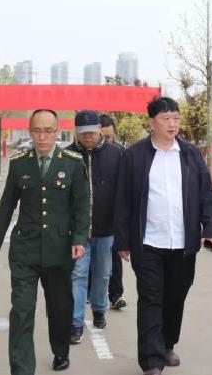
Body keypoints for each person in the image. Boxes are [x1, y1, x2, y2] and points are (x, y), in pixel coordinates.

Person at [114, 96, 212, 375]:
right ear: (152, 122)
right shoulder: (134, 155)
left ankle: (167, 343)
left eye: (176, 118)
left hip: (183, 244)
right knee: (151, 297)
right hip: (147, 242)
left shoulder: (191, 154)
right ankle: (151, 360)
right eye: (166, 118)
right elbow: (123, 200)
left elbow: (206, 195)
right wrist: (122, 239)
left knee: (176, 296)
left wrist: (209, 229)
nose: (172, 124)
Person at [0, 109, 90, 375]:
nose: (42, 137)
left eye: (48, 131)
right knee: (21, 310)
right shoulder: (20, 164)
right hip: (25, 250)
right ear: (29, 131)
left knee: (59, 309)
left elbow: (82, 206)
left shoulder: (73, 163)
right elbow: (7, 205)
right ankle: (22, 369)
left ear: (57, 132)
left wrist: (80, 238)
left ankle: (60, 350)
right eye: (37, 131)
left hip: (60, 250)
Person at [66, 110, 125, 344]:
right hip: (77, 232)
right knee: (78, 275)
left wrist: (123, 226)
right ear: (76, 132)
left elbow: (124, 193)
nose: (88, 137)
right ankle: (75, 323)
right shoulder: (68, 155)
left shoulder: (117, 154)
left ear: (100, 129)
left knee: (102, 274)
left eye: (91, 132)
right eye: (83, 134)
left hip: (105, 229)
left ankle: (99, 309)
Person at [99, 114, 128, 310]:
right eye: (103, 136)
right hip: (94, 216)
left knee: (115, 256)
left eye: (110, 137)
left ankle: (115, 295)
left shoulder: (121, 153)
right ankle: (92, 292)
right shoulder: (87, 154)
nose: (107, 141)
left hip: (115, 215)